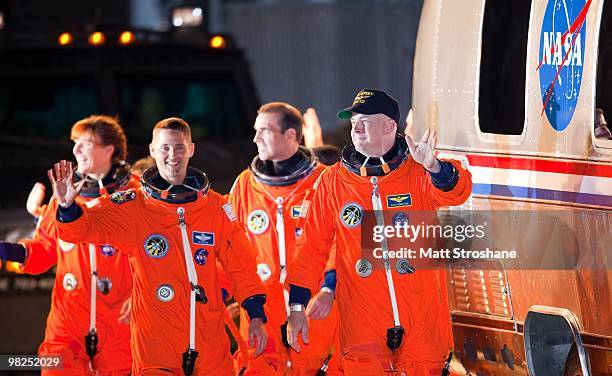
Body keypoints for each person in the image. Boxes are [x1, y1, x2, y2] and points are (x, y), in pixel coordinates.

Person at [51, 117, 268, 375]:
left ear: (191, 149)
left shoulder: (216, 207)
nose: (172, 155)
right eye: (164, 148)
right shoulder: (133, 206)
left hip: (209, 342)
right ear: (153, 151)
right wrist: (66, 207)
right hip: (156, 344)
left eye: (178, 147)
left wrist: (255, 314)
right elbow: (86, 228)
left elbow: (241, 265)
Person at [286, 89, 473, 375]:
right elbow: (311, 248)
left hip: (420, 317)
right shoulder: (333, 182)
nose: (356, 127)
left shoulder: (417, 170)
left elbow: (457, 192)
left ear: (389, 126)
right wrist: (297, 307)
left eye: (365, 121)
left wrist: (434, 167)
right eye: (353, 123)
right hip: (362, 320)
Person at [0, 115, 135, 375]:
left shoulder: (134, 197)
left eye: (86, 143)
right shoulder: (63, 196)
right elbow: (44, 249)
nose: (76, 150)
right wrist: (9, 250)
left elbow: (154, 254)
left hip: (121, 324)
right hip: (69, 322)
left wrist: (143, 294)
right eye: (75, 143)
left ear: (109, 150)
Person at [229, 102, 340, 375]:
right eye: (255, 131)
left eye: (264, 131)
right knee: (258, 367)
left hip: (313, 303)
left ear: (290, 135)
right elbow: (229, 246)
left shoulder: (324, 182)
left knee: (315, 367)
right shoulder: (245, 185)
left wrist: (329, 288)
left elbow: (342, 242)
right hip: (261, 306)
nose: (255, 138)